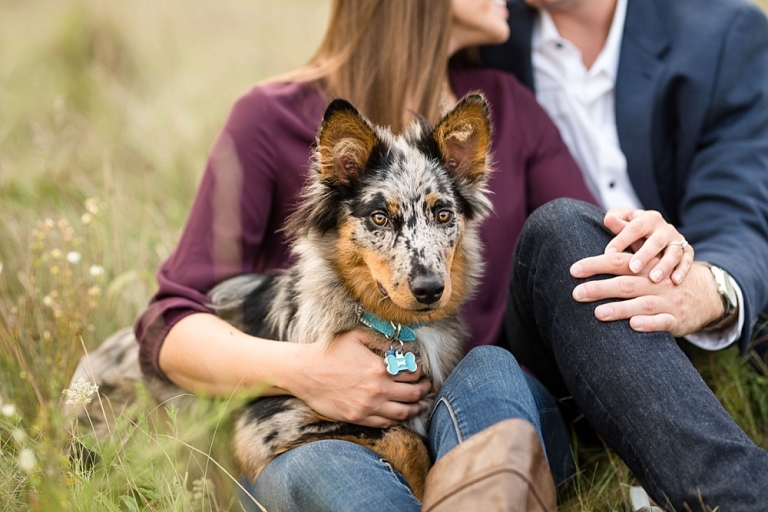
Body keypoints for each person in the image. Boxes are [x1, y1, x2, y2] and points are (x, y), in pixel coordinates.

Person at [132, 0, 696, 509]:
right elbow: (169, 326)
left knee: (490, 369)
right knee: (325, 464)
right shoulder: (268, 117)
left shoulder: (504, 108)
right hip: (319, 428)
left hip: (487, 407)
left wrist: (647, 239)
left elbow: (584, 243)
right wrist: (312, 371)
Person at [481, 0, 768, 510]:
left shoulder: (723, 33)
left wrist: (704, 285)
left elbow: (739, 208)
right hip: (556, 325)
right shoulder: (486, 35)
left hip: (688, 302)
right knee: (563, 231)